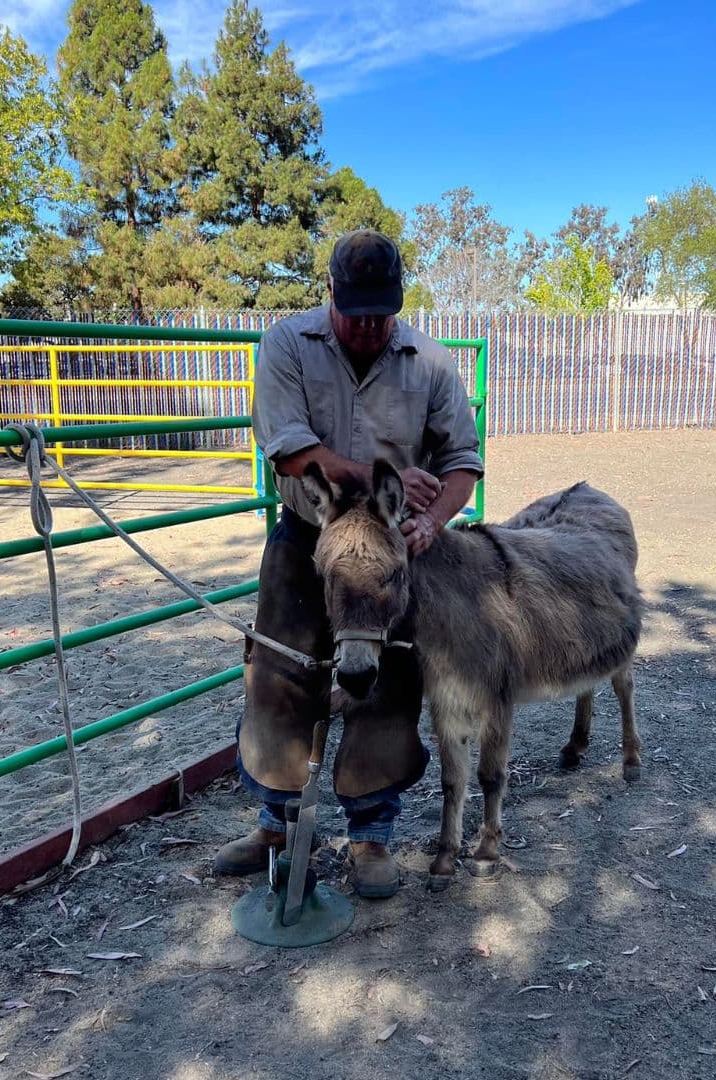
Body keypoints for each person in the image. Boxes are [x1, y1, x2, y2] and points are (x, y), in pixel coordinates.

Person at [213, 230, 484, 898]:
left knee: (389, 677)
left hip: (392, 550)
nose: (367, 328)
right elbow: (288, 449)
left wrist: (432, 518)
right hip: (308, 533)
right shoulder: (286, 345)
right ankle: (274, 824)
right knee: (278, 667)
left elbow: (462, 463)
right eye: (355, 313)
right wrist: (371, 474)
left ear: (396, 303)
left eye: (379, 315)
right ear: (330, 292)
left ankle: (372, 835)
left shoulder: (431, 362)